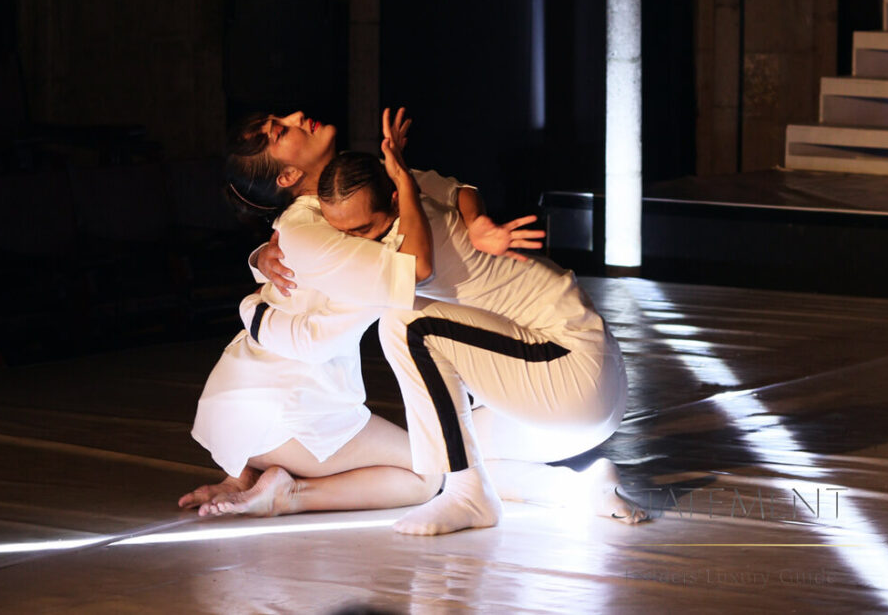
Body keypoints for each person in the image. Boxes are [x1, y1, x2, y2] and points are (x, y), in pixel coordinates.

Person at [244, 150, 646, 534]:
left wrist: (252, 305)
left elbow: (342, 310)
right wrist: (263, 257)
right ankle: (584, 489)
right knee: (452, 450)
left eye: (363, 230)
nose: (353, 241)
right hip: (582, 393)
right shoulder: (406, 189)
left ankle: (469, 497)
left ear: (394, 200)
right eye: (342, 233)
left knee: (403, 324)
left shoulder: (407, 246)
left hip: (573, 373)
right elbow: (460, 190)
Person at [180, 108, 442, 517]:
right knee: (429, 474)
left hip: (253, 400)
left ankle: (249, 473)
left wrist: (258, 263)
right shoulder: (306, 230)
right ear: (287, 176)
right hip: (281, 410)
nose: (298, 115)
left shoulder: (322, 213)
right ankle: (290, 493)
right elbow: (415, 270)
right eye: (281, 130)